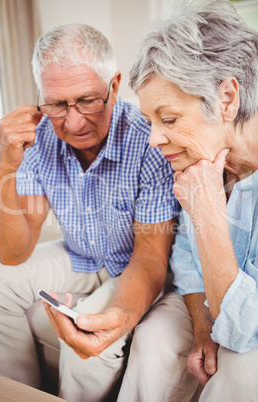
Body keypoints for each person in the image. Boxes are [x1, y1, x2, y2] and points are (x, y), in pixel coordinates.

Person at [0, 23, 178, 401]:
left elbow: (152, 257)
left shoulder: (150, 139)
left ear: (114, 85)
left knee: (87, 342)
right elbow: (13, 252)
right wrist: (6, 164)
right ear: (41, 97)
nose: (74, 123)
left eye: (89, 99)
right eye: (57, 104)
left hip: (136, 263)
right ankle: (19, 394)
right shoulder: (40, 137)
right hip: (80, 254)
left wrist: (120, 316)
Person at [117, 0, 258, 401]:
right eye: (150, 121)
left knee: (241, 372)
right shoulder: (201, 160)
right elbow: (186, 260)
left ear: (227, 99)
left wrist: (209, 215)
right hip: (216, 308)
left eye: (170, 118)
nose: (153, 139)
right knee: (152, 338)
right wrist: (200, 326)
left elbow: (244, 330)